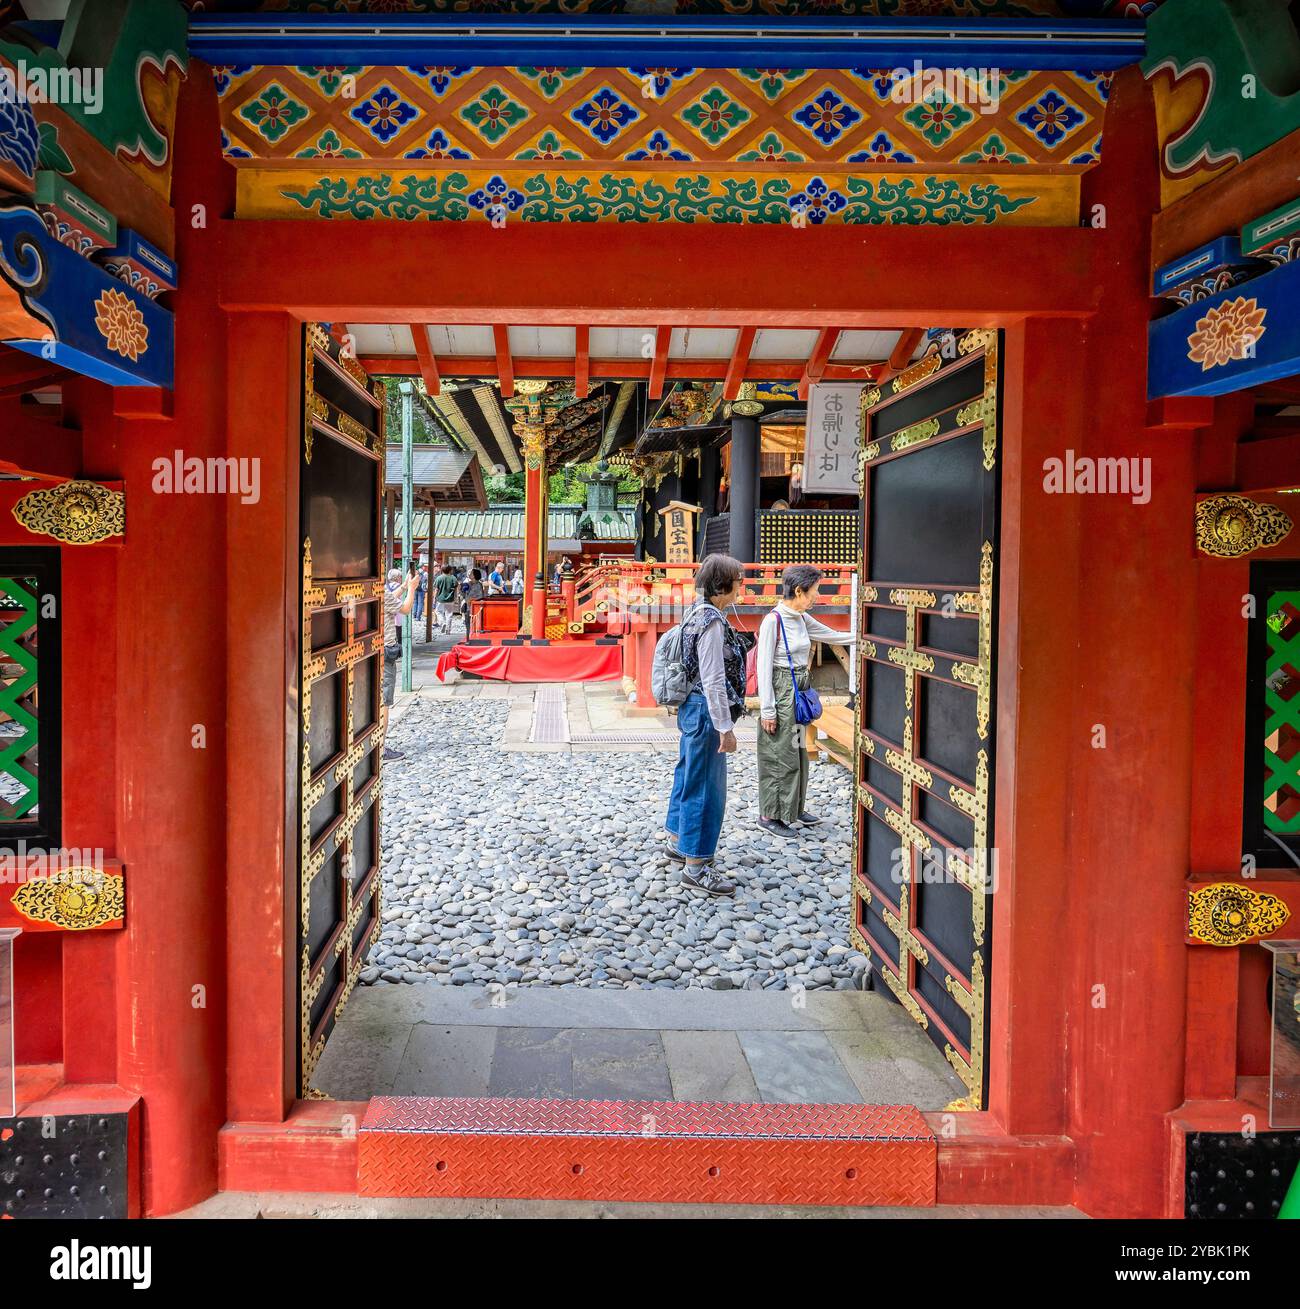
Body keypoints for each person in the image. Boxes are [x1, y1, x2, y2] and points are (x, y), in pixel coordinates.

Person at [664, 553, 748, 898]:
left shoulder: (694, 613)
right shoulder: (712, 621)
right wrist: (725, 727)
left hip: (691, 708)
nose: (742, 588)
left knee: (688, 773)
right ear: (724, 585)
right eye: (739, 581)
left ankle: (677, 839)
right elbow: (713, 678)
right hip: (705, 710)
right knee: (706, 786)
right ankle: (697, 866)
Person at [756, 563, 856, 835]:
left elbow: (831, 635)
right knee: (779, 754)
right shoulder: (773, 621)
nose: (817, 596)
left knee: (798, 751)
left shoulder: (800, 617)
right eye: (814, 592)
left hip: (799, 687)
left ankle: (793, 808)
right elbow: (763, 668)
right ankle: (770, 815)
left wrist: (864, 638)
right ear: (798, 591)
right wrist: (767, 710)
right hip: (781, 689)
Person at [382, 567, 418, 761]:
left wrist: (403, 586)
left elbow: (389, 599)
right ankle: (381, 748)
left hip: (373, 649)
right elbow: (404, 608)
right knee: (384, 701)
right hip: (385, 651)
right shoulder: (380, 591)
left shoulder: (373, 590)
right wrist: (412, 589)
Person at [433, 564, 459, 633]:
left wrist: (434, 599)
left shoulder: (439, 578)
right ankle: (448, 630)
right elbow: (456, 589)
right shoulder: (453, 578)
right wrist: (456, 598)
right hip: (450, 599)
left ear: (442, 570)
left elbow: (436, 589)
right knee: (449, 614)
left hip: (440, 599)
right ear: (450, 570)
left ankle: (442, 622)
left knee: (438, 612)